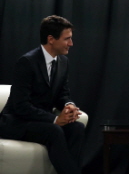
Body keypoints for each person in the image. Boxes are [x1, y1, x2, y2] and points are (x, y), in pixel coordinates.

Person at [0, 15, 84, 174]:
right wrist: (54, 119)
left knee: (77, 128)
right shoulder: (27, 62)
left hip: (41, 120)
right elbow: (20, 106)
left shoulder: (63, 62)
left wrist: (69, 106)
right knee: (54, 131)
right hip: (16, 121)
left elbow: (62, 94)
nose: (71, 44)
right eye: (67, 39)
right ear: (51, 39)